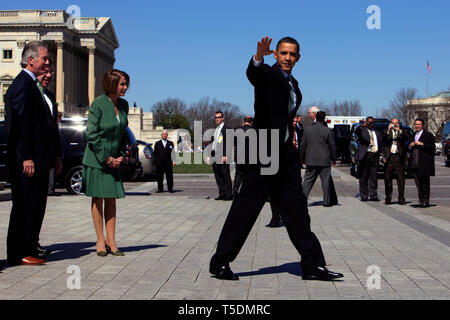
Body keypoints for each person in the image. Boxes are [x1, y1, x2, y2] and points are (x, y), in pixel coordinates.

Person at [209, 36, 343, 281]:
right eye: (283, 53)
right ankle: (220, 262)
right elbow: (254, 75)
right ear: (276, 55)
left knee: (298, 210)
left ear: (298, 58)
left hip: (285, 156)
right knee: (246, 208)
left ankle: (312, 265)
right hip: (262, 152)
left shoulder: (294, 84)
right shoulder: (268, 75)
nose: (288, 58)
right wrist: (257, 59)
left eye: (292, 54)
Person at [5, 41, 62, 266]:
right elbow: (19, 126)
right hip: (27, 160)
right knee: (24, 205)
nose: (48, 63)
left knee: (36, 204)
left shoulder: (35, 87)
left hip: (40, 159)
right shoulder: (22, 85)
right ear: (31, 60)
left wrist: (55, 156)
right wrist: (25, 155)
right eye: (44, 58)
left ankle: (29, 246)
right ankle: (19, 251)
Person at [82, 69, 130, 257]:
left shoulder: (124, 105)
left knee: (111, 198)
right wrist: (106, 157)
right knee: (98, 198)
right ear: (112, 84)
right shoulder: (98, 104)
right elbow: (91, 134)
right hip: (97, 160)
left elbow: (123, 132)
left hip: (114, 160)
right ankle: (100, 239)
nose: (125, 88)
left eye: (126, 84)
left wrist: (119, 156)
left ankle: (112, 239)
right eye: (122, 84)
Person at [300, 111, 338, 207]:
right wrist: (334, 159)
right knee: (325, 182)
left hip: (311, 159)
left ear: (316, 117)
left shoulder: (307, 130)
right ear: (324, 118)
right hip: (324, 160)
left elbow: (303, 146)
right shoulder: (328, 131)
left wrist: (302, 158)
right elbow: (332, 146)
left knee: (307, 182)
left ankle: (302, 200)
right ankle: (326, 201)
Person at [36, 60, 61, 197]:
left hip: (49, 156)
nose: (48, 75)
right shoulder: (29, 93)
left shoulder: (50, 96)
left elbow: (54, 129)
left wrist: (57, 155)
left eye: (50, 72)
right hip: (34, 157)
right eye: (45, 72)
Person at [382, 118, 411, 205]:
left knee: (401, 180)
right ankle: (388, 198)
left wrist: (400, 131)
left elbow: (408, 138)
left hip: (399, 157)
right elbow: (383, 140)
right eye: (393, 123)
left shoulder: (402, 132)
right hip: (389, 157)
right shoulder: (387, 132)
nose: (395, 125)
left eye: (396, 123)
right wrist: (388, 130)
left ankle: (401, 198)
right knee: (387, 179)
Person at [409, 118, 435, 208]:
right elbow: (408, 146)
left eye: (419, 124)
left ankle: (425, 200)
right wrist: (410, 145)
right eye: (416, 124)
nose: (417, 126)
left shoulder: (428, 135)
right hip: (415, 163)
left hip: (424, 163)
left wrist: (422, 144)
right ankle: (420, 200)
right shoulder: (413, 135)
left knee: (425, 183)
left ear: (422, 125)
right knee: (418, 183)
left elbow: (432, 147)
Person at [355, 117, 382, 202]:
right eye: (369, 123)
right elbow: (357, 132)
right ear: (366, 123)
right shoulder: (362, 131)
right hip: (365, 155)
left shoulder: (377, 132)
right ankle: (364, 195)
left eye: (372, 123)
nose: (371, 124)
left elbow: (381, 144)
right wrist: (361, 126)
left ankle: (373, 195)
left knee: (373, 177)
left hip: (374, 156)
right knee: (364, 177)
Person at [209, 111, 233, 201]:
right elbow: (214, 143)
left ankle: (229, 194)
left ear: (223, 118)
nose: (217, 119)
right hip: (215, 156)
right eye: (215, 117)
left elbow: (229, 144)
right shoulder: (216, 129)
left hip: (223, 156)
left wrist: (225, 155)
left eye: (219, 117)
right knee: (218, 176)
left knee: (225, 175)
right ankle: (222, 193)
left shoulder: (227, 129)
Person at [233, 116, 253, 197]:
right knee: (248, 174)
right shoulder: (254, 130)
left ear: (243, 121)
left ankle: (235, 190)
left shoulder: (237, 129)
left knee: (238, 174)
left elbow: (234, 142)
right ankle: (246, 191)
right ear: (251, 122)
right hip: (250, 156)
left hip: (239, 155)